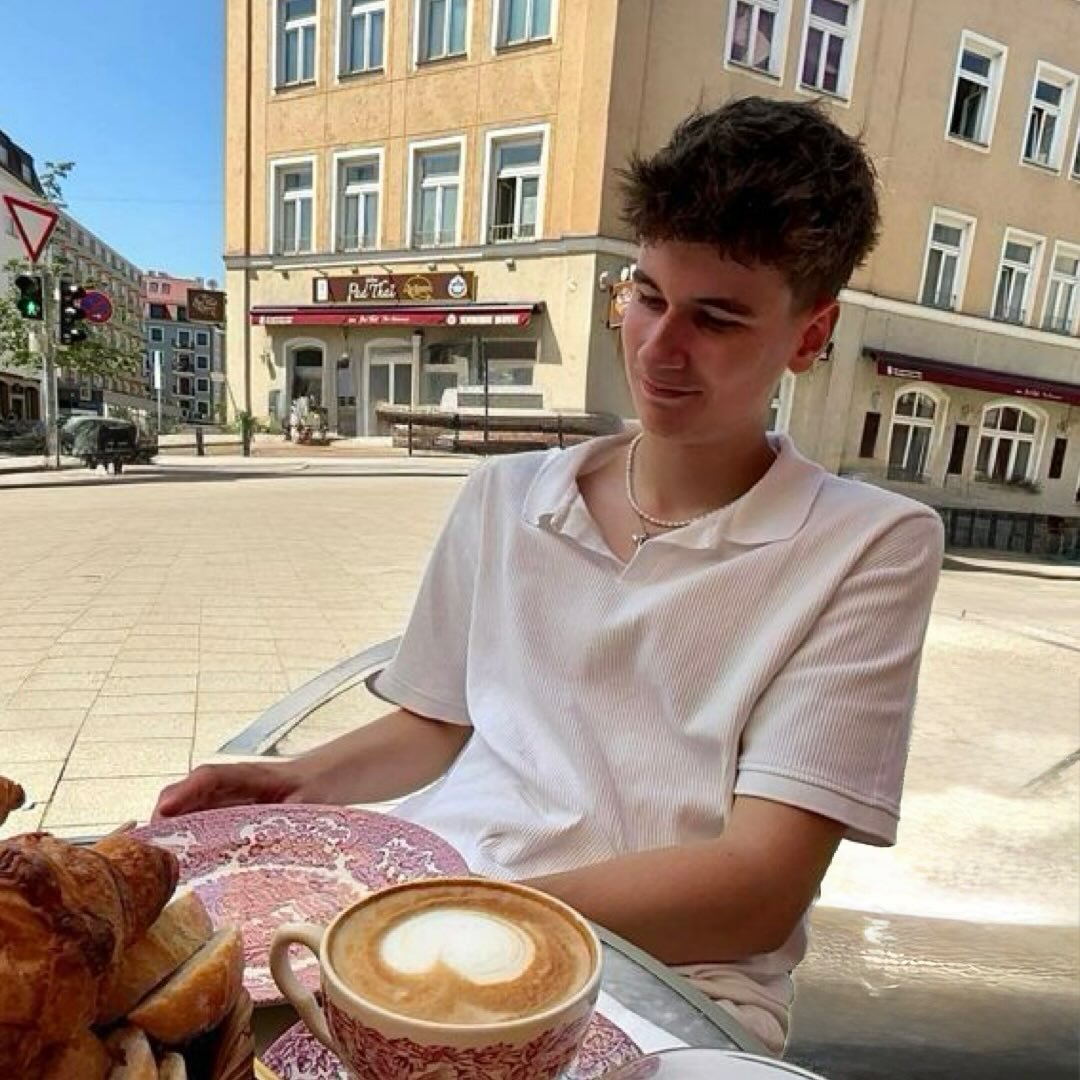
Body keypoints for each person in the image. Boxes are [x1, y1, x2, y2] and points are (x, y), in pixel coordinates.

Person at [154, 97, 943, 1053]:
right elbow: (437, 720)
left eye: (717, 318)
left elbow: (757, 891)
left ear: (810, 337)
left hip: (665, 976)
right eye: (647, 296)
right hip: (423, 914)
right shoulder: (506, 495)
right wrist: (294, 782)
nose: (658, 347)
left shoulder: (867, 545)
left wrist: (446, 913)